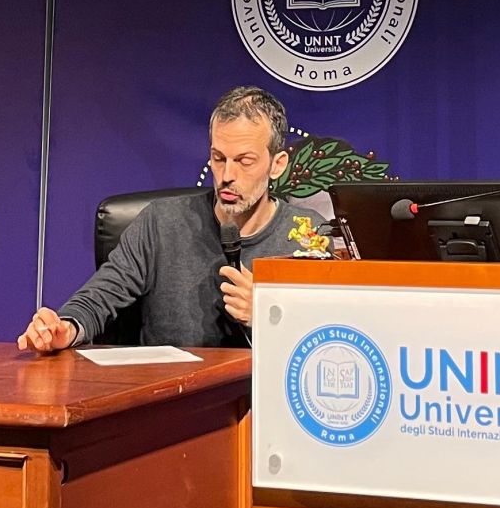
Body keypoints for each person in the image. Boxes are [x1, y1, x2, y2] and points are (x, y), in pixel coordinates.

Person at [20, 85, 311, 352]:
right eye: (219, 158)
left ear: (277, 165)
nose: (227, 175)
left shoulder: (307, 238)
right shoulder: (160, 223)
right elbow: (101, 295)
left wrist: (267, 314)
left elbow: (325, 338)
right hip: (173, 388)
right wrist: (66, 328)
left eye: (244, 161)